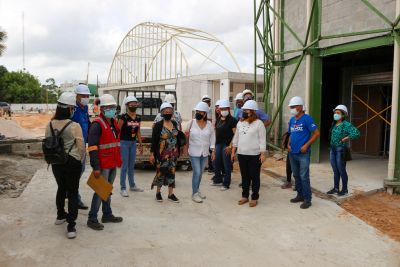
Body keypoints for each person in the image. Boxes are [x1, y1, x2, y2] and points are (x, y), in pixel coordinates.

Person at [45, 92, 85, 239]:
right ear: (68, 108)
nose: (73, 110)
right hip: (72, 161)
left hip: (56, 161)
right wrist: (80, 159)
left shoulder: (49, 124)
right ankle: (71, 226)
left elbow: (48, 142)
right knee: (73, 192)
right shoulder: (74, 125)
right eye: (72, 108)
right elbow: (81, 146)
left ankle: (60, 215)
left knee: (61, 188)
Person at [87, 94, 123, 231]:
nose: (112, 110)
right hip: (102, 164)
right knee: (99, 190)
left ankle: (107, 214)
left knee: (107, 190)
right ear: (102, 109)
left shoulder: (113, 123)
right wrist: (96, 166)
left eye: (113, 107)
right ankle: (92, 218)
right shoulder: (97, 124)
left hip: (112, 162)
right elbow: (92, 147)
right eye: (108, 107)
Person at [287, 96, 320, 209]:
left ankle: (307, 199)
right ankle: (299, 195)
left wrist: (306, 145)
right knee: (296, 175)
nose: (292, 109)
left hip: (303, 153)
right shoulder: (292, 120)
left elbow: (316, 133)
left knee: (304, 176)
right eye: (291, 107)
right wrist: (288, 144)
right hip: (293, 153)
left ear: (300, 107)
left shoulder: (307, 119)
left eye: (294, 106)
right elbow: (291, 134)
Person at [231, 100, 266, 207]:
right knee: (244, 176)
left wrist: (263, 153)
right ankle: (245, 196)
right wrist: (233, 152)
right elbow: (236, 139)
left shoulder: (259, 124)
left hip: (255, 155)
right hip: (242, 154)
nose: (244, 112)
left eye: (246, 110)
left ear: (252, 111)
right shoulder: (240, 123)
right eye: (244, 110)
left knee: (254, 177)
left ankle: (254, 197)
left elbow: (262, 140)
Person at [150, 102, 181, 203]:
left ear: (172, 112)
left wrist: (179, 150)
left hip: (173, 154)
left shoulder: (175, 124)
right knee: (160, 173)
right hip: (161, 154)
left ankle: (170, 194)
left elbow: (178, 138)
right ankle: (158, 193)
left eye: (170, 111)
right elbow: (154, 140)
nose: (168, 113)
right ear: (162, 113)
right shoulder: (158, 125)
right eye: (165, 111)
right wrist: (152, 154)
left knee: (172, 174)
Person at [327, 104, 360, 196]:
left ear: (343, 115)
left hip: (340, 149)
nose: (335, 114)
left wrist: (347, 137)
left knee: (341, 169)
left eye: (338, 113)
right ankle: (336, 188)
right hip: (332, 149)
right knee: (335, 170)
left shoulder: (346, 124)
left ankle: (344, 189)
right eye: (335, 112)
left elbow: (357, 133)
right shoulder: (334, 123)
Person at [188, 101, 216, 203]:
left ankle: (197, 190)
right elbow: (186, 135)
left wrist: (213, 150)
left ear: (205, 114)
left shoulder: (209, 125)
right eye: (197, 111)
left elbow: (213, 137)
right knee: (197, 172)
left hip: (204, 153)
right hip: (193, 152)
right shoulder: (191, 123)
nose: (198, 113)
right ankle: (194, 194)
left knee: (200, 174)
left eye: (200, 112)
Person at [118, 95, 144, 197]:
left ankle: (132, 185)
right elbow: (118, 130)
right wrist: (117, 144)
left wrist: (140, 144)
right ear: (127, 105)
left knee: (131, 165)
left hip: (133, 143)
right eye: (131, 104)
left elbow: (138, 131)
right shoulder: (123, 117)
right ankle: (123, 188)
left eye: (135, 103)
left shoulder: (138, 118)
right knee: (124, 166)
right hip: (124, 143)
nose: (133, 105)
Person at [71, 84, 91, 210]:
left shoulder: (85, 109)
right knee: (76, 172)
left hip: (83, 145)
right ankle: (75, 198)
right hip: (74, 146)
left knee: (81, 170)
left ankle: (70, 192)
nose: (85, 98)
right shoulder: (73, 109)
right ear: (77, 97)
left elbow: (87, 125)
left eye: (87, 96)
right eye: (83, 96)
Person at [211, 99, 237, 191]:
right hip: (218, 144)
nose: (223, 111)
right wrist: (213, 147)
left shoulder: (233, 120)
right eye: (221, 109)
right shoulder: (218, 119)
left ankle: (226, 183)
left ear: (229, 109)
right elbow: (215, 133)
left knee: (226, 164)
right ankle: (218, 179)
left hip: (227, 145)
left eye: (225, 109)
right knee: (216, 162)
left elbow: (235, 134)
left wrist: (230, 146)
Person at [202, 95, 214, 175]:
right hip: (206, 130)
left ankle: (209, 167)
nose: (208, 103)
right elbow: (209, 120)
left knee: (208, 149)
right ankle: (209, 167)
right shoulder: (207, 109)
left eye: (209, 101)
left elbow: (209, 120)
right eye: (207, 102)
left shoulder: (207, 109)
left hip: (207, 130)